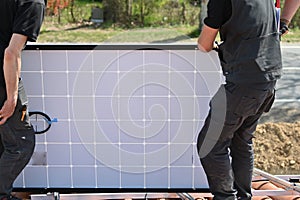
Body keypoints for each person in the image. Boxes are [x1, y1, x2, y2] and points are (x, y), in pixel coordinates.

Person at [195, 0, 291, 199]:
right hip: (268, 80)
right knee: (241, 140)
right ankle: (242, 196)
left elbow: (204, 45)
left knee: (210, 145)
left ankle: (226, 197)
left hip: (243, 83)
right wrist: (284, 22)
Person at [0, 0, 46, 200]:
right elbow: (11, 53)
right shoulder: (33, 3)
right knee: (21, 143)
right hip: (3, 79)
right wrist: (11, 98)